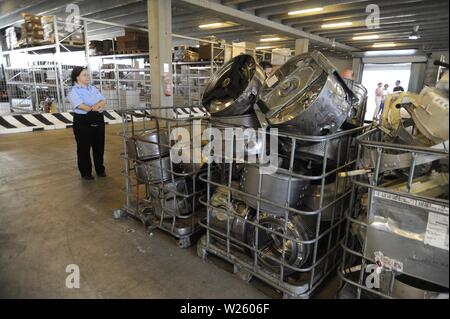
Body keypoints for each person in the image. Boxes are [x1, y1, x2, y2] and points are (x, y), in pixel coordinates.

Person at [69, 66, 107, 180]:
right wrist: (95, 106)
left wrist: (96, 106)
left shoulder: (93, 88)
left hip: (97, 118)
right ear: (77, 77)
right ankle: (86, 172)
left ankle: (100, 169)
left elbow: (104, 100)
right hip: (82, 121)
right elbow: (81, 106)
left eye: (87, 74)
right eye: (84, 75)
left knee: (99, 146)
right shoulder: (73, 91)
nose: (87, 77)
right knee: (84, 147)